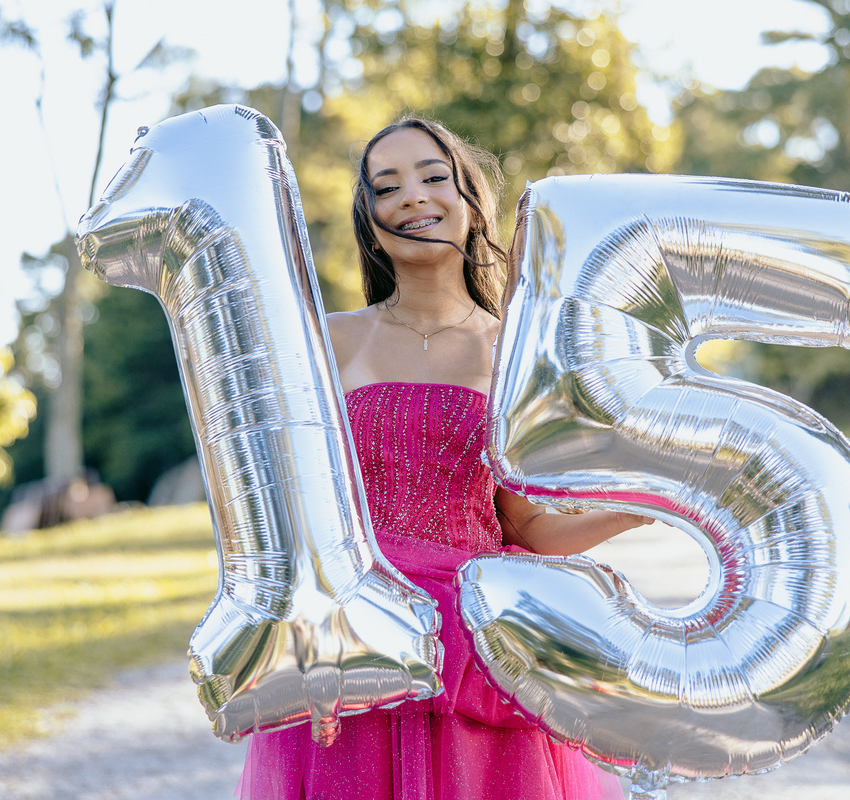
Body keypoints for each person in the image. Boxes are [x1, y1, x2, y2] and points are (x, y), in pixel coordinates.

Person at [237, 117, 648, 800]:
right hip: (357, 636)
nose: (413, 198)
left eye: (433, 177)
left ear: (470, 200)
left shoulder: (516, 352)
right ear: (370, 222)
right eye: (387, 187)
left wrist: (630, 513)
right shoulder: (326, 341)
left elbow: (523, 526)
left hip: (475, 647)